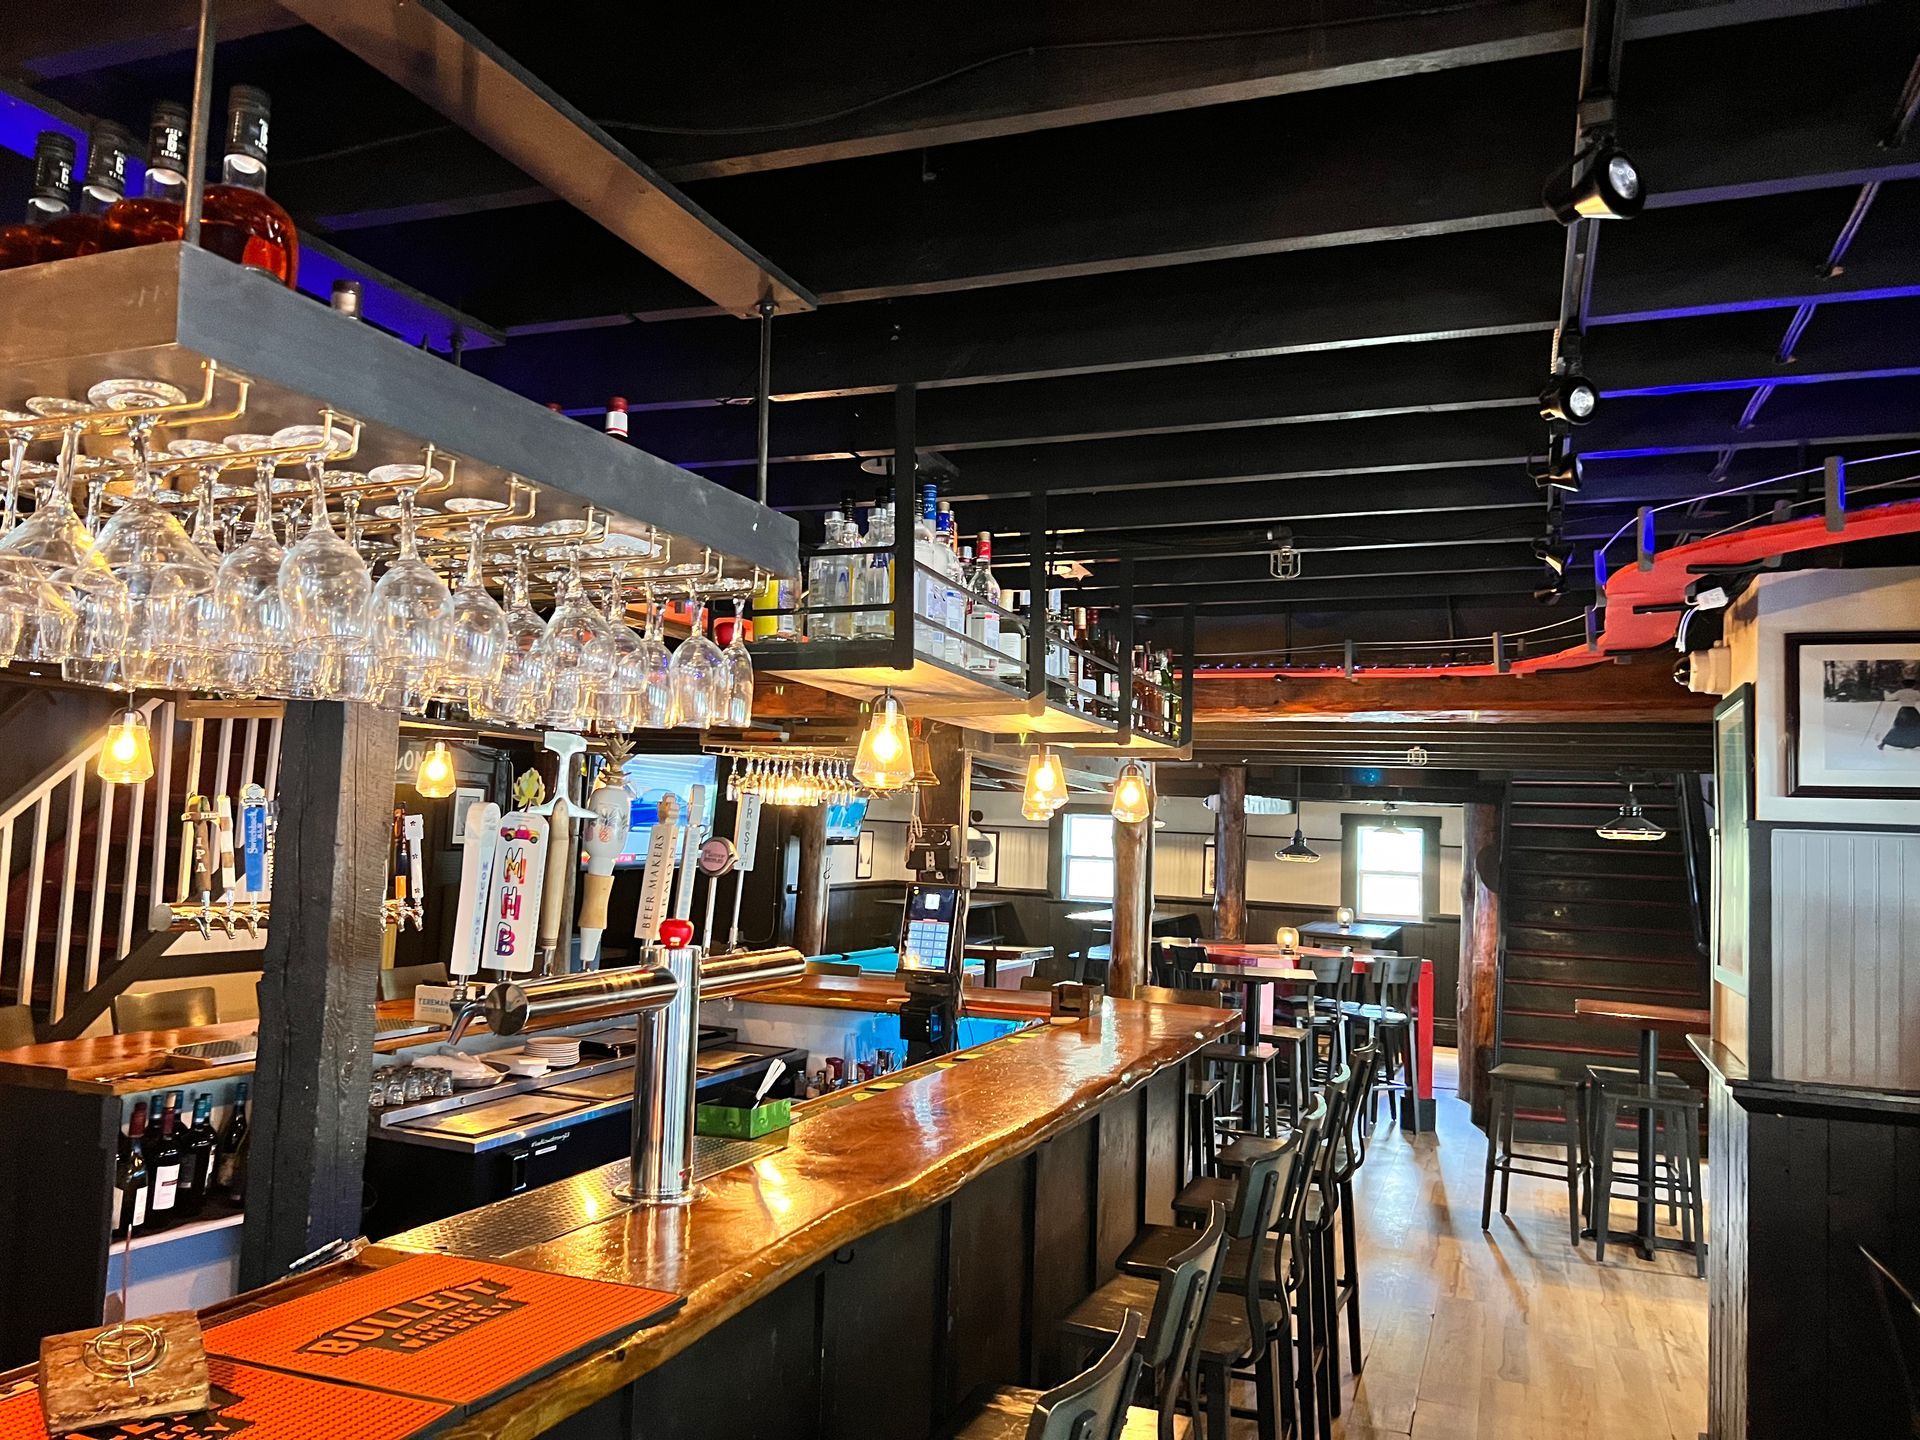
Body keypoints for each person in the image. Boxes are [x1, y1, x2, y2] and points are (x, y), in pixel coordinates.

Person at [1878, 668, 1920, 751]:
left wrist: (1885, 691)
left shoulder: (1900, 692)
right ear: (1913, 685)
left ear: (1903, 685)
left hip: (1903, 711)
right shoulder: (1916, 693)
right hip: (1913, 711)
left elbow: (1888, 698)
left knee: (1898, 727)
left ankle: (1884, 743)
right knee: (1916, 727)